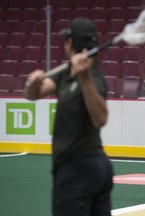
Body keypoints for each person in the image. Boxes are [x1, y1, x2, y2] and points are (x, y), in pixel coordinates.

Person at [24, 17, 113, 216]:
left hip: (78, 168)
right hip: (88, 167)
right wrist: (32, 83)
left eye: (66, 40)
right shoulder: (66, 72)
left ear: (71, 43)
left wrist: (85, 79)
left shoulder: (94, 77)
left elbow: (100, 119)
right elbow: (33, 95)